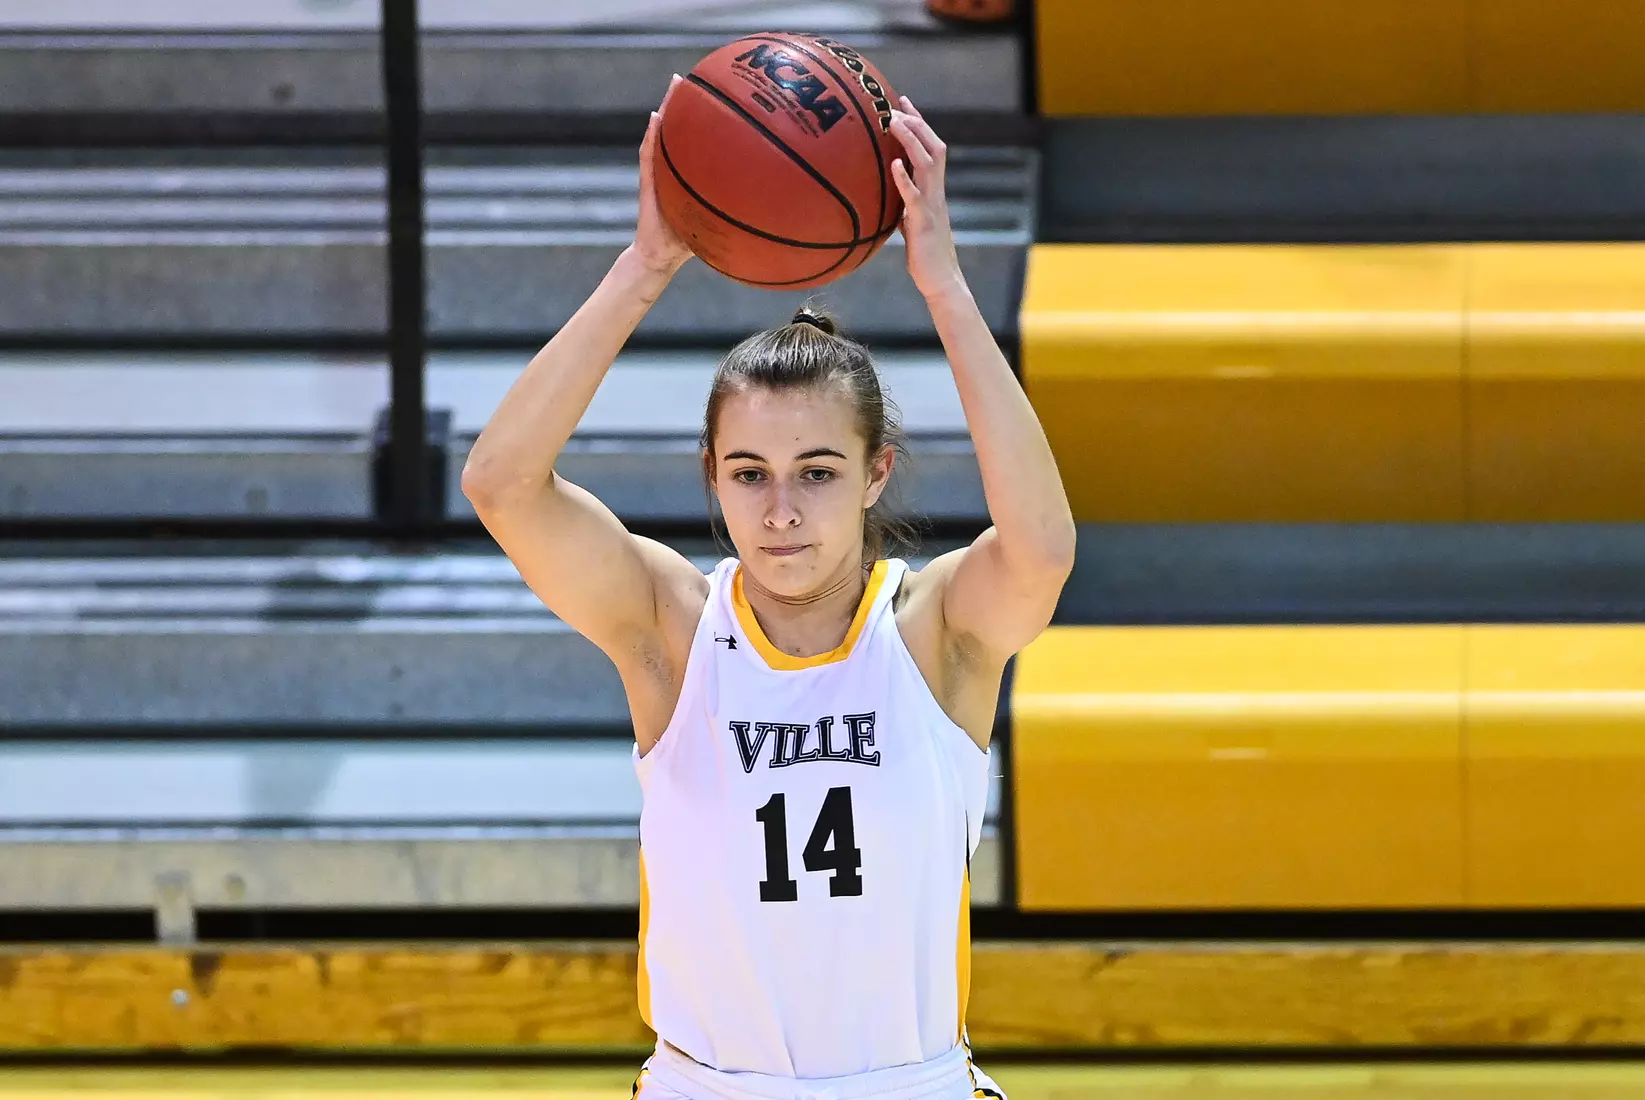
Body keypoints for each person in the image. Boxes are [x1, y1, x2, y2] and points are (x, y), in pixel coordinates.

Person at [462, 78, 1075, 1100]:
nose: (781, 509)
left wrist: (945, 287)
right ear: (712, 472)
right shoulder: (672, 629)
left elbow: (1041, 547)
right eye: (749, 472)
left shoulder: (932, 635)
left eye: (818, 471)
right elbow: (499, 483)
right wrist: (645, 264)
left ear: (875, 473)